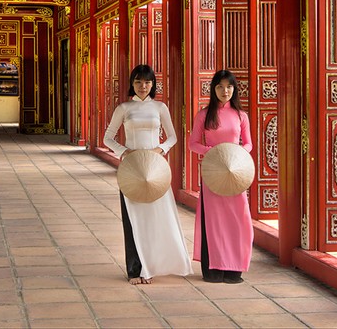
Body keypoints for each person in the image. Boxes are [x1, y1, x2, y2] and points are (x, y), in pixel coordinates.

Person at [103, 64, 193, 285]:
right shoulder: (124, 108)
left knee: (156, 218)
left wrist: (159, 150)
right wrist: (126, 152)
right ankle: (135, 270)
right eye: (138, 82)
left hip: (155, 169)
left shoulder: (160, 107)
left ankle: (152, 266)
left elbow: (172, 136)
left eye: (147, 82)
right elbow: (107, 138)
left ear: (153, 84)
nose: (143, 86)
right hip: (132, 169)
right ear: (132, 84)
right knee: (132, 219)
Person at [188, 69, 254, 284]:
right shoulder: (204, 115)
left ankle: (235, 268)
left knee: (239, 221)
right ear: (213, 89)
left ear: (234, 89)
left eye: (229, 86)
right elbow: (192, 143)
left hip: (235, 174)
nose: (224, 91)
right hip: (213, 173)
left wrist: (238, 152)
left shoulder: (241, 116)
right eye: (219, 86)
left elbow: (248, 143)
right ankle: (213, 270)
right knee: (214, 222)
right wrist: (212, 151)